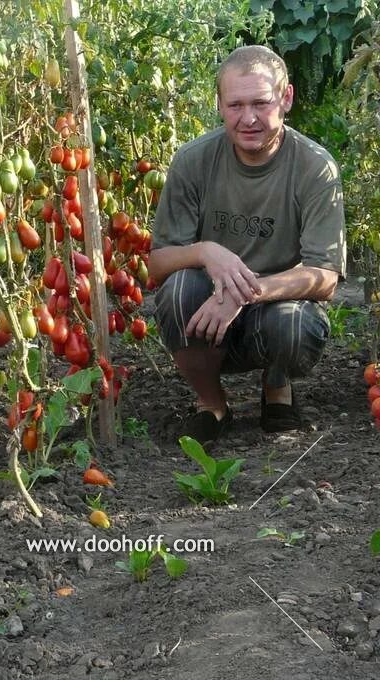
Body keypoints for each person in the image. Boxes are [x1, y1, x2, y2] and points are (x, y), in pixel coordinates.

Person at [148, 45, 346, 446]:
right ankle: (212, 404)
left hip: (273, 314)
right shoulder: (193, 161)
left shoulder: (313, 166)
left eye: (261, 102)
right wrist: (206, 252)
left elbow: (324, 277)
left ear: (285, 98)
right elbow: (157, 265)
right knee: (179, 290)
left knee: (294, 322)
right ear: (219, 104)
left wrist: (245, 292)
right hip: (209, 317)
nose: (248, 118)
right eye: (235, 105)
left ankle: (277, 387)